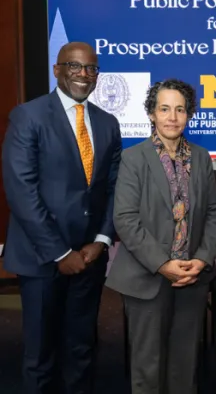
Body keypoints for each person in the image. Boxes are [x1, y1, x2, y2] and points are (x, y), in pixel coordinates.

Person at [2, 42, 122, 394]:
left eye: (91, 69)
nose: (83, 75)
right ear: (57, 70)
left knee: (82, 350)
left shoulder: (107, 123)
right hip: (42, 260)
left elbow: (114, 188)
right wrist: (60, 253)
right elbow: (21, 192)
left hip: (89, 258)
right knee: (40, 356)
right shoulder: (29, 116)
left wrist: (101, 240)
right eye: (74, 66)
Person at [105, 79, 216, 394]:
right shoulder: (134, 158)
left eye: (180, 109)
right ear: (151, 114)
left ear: (189, 115)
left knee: (185, 368)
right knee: (148, 369)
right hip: (147, 279)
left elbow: (213, 212)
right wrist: (162, 264)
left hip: (191, 279)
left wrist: (201, 258)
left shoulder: (200, 157)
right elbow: (125, 219)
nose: (172, 117)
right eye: (164, 109)